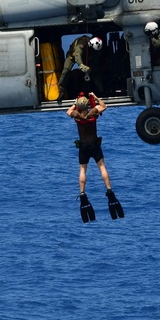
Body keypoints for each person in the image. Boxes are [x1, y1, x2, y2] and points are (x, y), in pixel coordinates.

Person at [66, 92, 124, 222]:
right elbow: (104, 106)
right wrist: (96, 97)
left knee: (82, 170)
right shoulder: (93, 112)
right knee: (102, 167)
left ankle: (82, 193)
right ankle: (109, 190)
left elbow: (68, 112)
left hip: (83, 146)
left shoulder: (76, 115)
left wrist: (75, 103)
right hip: (94, 145)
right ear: (87, 104)